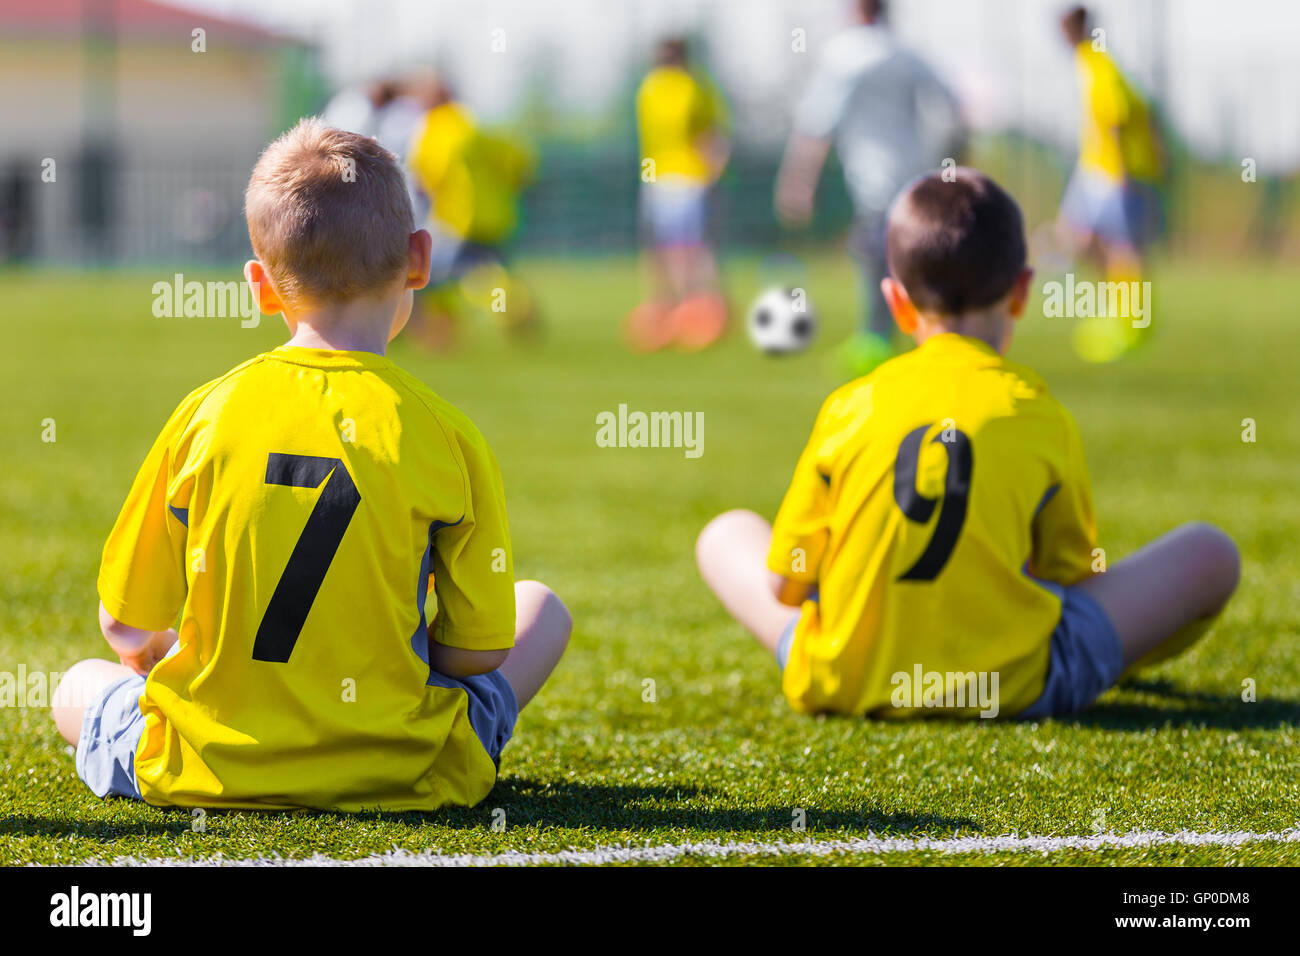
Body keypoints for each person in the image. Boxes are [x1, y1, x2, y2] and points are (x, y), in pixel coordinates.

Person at [51, 118, 571, 810]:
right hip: (404, 768)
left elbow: (126, 627)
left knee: (75, 687)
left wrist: (175, 654)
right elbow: (477, 654)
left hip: (208, 765)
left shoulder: (203, 415)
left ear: (260, 285)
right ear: (419, 258)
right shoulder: (448, 434)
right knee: (544, 608)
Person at [697, 169, 1238, 720]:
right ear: (1022, 292)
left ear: (896, 302)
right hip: (1014, 688)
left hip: (842, 681)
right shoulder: (1039, 413)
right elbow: (1070, 579)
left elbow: (784, 587)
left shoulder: (848, 406)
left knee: (723, 534)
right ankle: (1104, 668)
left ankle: (850, 652)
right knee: (1211, 552)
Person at [775, 0, 965, 379]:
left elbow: (817, 122)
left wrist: (798, 181)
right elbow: (952, 107)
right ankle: (934, 335)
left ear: (856, 11)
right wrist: (951, 163)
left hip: (874, 179)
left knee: (880, 257)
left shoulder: (846, 54)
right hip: (914, 174)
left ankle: (879, 340)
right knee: (905, 256)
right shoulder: (905, 52)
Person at [1056, 4, 1166, 363]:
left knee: (1123, 249)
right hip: (1093, 169)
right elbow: (1143, 112)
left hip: (1111, 172)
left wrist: (1121, 173)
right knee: (1078, 237)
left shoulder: (1098, 64)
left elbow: (1115, 118)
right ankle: (1120, 311)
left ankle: (1132, 321)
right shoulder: (1093, 62)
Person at [406, 76, 538, 345]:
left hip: (457, 216)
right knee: (475, 269)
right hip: (497, 216)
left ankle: (505, 302)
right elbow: (520, 161)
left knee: (429, 273)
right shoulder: (474, 124)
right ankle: (450, 326)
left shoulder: (437, 126)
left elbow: (432, 171)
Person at [626, 36, 731, 352]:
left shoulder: (651, 87)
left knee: (668, 249)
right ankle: (688, 313)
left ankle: (678, 312)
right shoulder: (692, 85)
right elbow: (712, 134)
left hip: (665, 178)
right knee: (686, 249)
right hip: (684, 177)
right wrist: (715, 169)